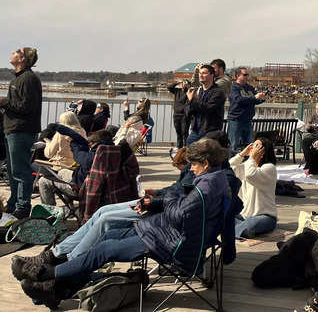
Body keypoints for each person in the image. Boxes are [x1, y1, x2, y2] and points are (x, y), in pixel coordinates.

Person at [16, 138, 232, 308]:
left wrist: (164, 201)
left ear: (205, 163)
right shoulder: (213, 179)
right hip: (161, 231)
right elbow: (182, 210)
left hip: (170, 242)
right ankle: (57, 288)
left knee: (103, 249)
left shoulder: (205, 187)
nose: (191, 169)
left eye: (193, 164)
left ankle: (46, 275)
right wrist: (158, 203)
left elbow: (182, 214)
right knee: (105, 237)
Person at [0, 47, 42, 219]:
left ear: (22, 59)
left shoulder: (28, 79)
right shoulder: (18, 78)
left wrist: (4, 102)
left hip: (21, 130)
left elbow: (26, 107)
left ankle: (23, 207)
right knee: (12, 170)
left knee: (20, 170)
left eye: (17, 51)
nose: (13, 52)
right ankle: (13, 203)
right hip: (13, 130)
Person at [230, 137, 278, 238]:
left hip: (265, 217)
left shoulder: (269, 168)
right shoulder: (247, 166)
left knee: (250, 225)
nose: (253, 148)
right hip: (244, 216)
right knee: (223, 216)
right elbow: (229, 168)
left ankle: (232, 230)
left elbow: (250, 175)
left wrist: (251, 158)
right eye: (252, 146)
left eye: (257, 146)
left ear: (263, 151)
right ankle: (235, 229)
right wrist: (242, 154)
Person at [227, 67, 266, 151]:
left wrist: (262, 98)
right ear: (238, 76)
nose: (247, 76)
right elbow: (238, 100)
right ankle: (231, 163)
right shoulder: (233, 87)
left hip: (248, 120)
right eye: (244, 75)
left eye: (247, 75)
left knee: (250, 146)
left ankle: (248, 163)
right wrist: (254, 97)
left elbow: (255, 100)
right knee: (234, 145)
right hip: (236, 120)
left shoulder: (249, 88)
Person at [186, 64, 226, 145]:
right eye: (200, 73)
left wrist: (192, 100)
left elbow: (207, 109)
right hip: (196, 130)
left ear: (212, 75)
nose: (201, 75)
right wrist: (190, 102)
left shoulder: (218, 92)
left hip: (210, 131)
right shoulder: (199, 91)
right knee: (189, 149)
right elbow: (190, 111)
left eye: (204, 73)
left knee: (205, 155)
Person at [167, 78, 191, 149]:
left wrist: (188, 86)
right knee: (178, 133)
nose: (184, 85)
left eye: (185, 83)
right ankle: (179, 148)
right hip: (176, 115)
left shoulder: (189, 92)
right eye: (183, 83)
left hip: (185, 116)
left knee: (185, 133)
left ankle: (186, 148)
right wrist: (177, 83)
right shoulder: (177, 91)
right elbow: (169, 87)